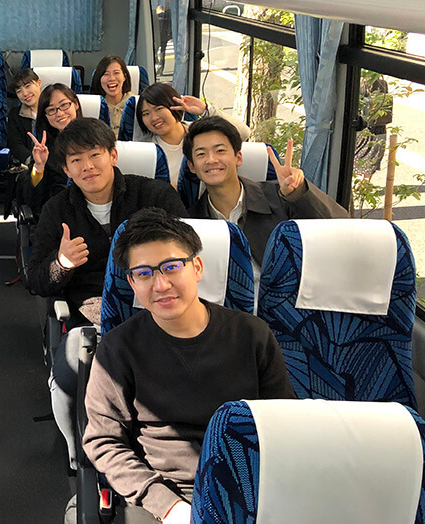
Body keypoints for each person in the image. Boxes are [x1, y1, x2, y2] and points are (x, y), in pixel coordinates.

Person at [83, 206, 295, 524]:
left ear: (197, 267)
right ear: (132, 283)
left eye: (171, 267)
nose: (160, 284)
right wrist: (167, 506)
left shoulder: (252, 335)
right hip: (166, 496)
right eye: (144, 273)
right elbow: (103, 441)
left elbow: (282, 423)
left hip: (248, 489)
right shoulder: (117, 349)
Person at [26, 118, 186, 471]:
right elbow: (36, 280)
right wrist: (62, 264)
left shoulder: (155, 197)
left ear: (113, 155)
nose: (87, 166)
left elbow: (187, 256)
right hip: (96, 315)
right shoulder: (57, 210)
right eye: (76, 160)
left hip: (161, 307)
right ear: (66, 170)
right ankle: (79, 457)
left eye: (94, 155)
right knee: (68, 374)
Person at [184, 116, 348, 268]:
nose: (211, 160)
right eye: (201, 154)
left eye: (220, 151)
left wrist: (298, 194)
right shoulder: (192, 222)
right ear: (192, 166)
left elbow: (342, 230)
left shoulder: (280, 196)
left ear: (238, 158)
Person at [135, 82, 250, 186]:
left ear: (174, 106)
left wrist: (205, 110)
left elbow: (243, 133)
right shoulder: (147, 151)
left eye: (159, 109)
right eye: (146, 114)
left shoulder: (201, 132)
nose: (154, 118)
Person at [19, 83, 83, 216]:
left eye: (64, 105)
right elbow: (33, 200)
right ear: (46, 116)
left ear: (76, 104)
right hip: (58, 213)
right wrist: (39, 167)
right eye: (51, 110)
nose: (60, 113)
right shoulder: (43, 149)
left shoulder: (94, 139)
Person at [90, 56, 134, 137]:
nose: (111, 78)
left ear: (124, 76)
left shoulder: (135, 104)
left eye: (116, 73)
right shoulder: (94, 107)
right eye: (106, 74)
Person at [8, 68, 42, 166]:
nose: (25, 94)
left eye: (28, 86)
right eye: (19, 91)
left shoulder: (53, 109)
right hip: (29, 164)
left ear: (39, 83)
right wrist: (32, 162)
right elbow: (15, 144)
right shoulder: (15, 114)